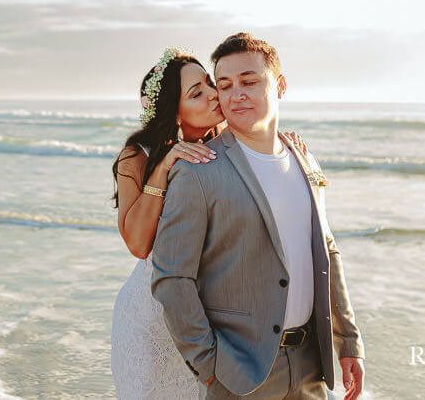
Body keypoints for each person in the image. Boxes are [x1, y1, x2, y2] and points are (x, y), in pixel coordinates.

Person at [150, 33, 366, 399]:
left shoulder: (304, 160)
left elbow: (327, 251)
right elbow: (172, 277)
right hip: (240, 374)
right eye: (225, 85)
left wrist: (348, 342)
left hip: (312, 366)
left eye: (249, 82)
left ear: (279, 85)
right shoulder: (198, 171)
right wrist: (210, 366)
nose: (236, 95)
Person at [110, 47, 308, 399]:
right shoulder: (137, 157)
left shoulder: (221, 145)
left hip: (208, 320)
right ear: (175, 111)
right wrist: (165, 165)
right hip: (153, 317)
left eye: (209, 83)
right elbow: (138, 244)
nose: (215, 95)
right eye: (197, 93)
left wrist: (285, 147)